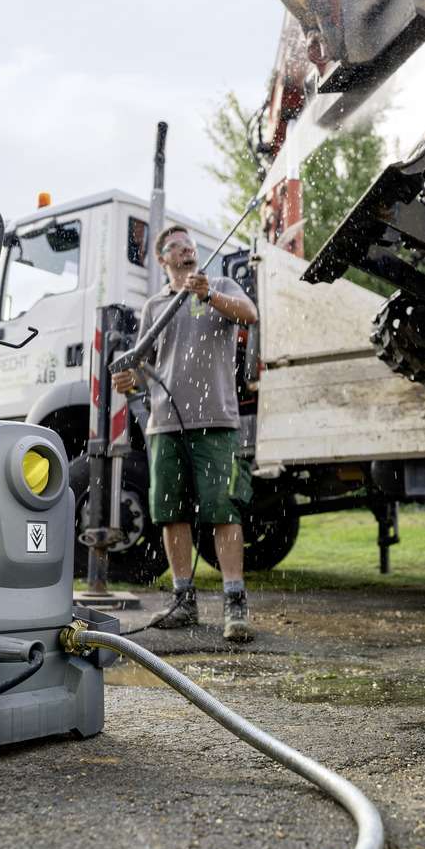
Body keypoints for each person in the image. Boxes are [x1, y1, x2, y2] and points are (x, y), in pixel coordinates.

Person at [112, 223, 259, 642]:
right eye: (176, 247)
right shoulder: (155, 306)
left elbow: (250, 315)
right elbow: (143, 366)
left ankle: (235, 603)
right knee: (170, 512)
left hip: (216, 420)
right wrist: (130, 382)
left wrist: (208, 295)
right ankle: (183, 600)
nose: (186, 251)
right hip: (165, 425)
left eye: (190, 245)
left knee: (222, 510)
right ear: (163, 260)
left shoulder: (221, 285)